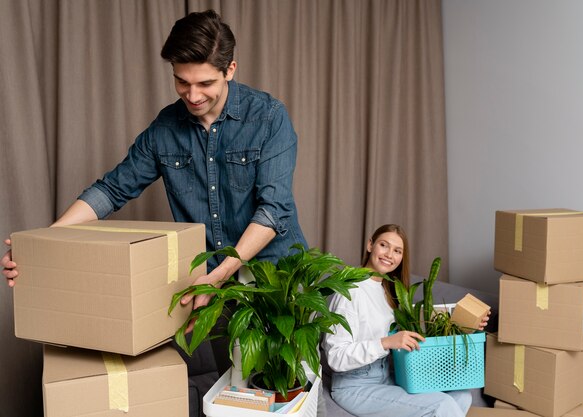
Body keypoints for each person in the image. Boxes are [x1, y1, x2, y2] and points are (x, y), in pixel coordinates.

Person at [2, 9, 311, 417]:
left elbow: (273, 211)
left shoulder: (269, 117)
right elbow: (112, 189)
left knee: (289, 389)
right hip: (211, 275)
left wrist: (216, 278)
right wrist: (43, 245)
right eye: (182, 81)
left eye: (205, 83)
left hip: (274, 275)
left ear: (230, 69)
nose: (193, 94)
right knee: (239, 391)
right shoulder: (166, 127)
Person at [322, 224, 488, 417]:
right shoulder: (350, 291)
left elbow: (422, 328)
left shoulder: (389, 290)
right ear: (370, 245)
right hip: (355, 386)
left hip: (386, 377)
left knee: (462, 395)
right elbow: (335, 357)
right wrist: (386, 343)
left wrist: (468, 323)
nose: (389, 254)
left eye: (397, 251)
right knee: (441, 405)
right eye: (384, 245)